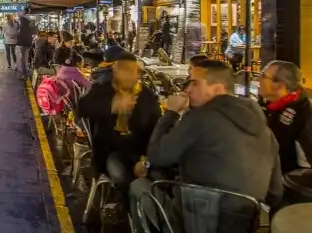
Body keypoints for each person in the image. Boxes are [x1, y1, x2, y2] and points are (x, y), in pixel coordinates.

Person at [132, 59, 283, 231]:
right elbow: (275, 193)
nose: (187, 89)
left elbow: (156, 155)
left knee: (139, 188)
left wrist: (171, 113)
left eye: (195, 83)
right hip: (244, 224)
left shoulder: (199, 118)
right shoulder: (264, 129)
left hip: (195, 220)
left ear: (217, 88)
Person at [77, 47, 162, 196]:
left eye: (133, 70)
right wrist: (111, 106)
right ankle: (124, 212)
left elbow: (155, 128)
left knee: (159, 179)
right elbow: (82, 109)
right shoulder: (102, 90)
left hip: (141, 153)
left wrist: (145, 161)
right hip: (110, 152)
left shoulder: (147, 96)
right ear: (115, 70)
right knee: (123, 178)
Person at [258, 60, 312, 174]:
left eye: (263, 76)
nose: (258, 80)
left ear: (280, 86)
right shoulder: (274, 105)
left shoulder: (308, 119)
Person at [15, 12, 35, 79]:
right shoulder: (30, 23)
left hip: (23, 43)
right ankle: (25, 73)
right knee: (25, 58)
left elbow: (20, 34)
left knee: (23, 59)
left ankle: (25, 74)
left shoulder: (23, 24)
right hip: (28, 43)